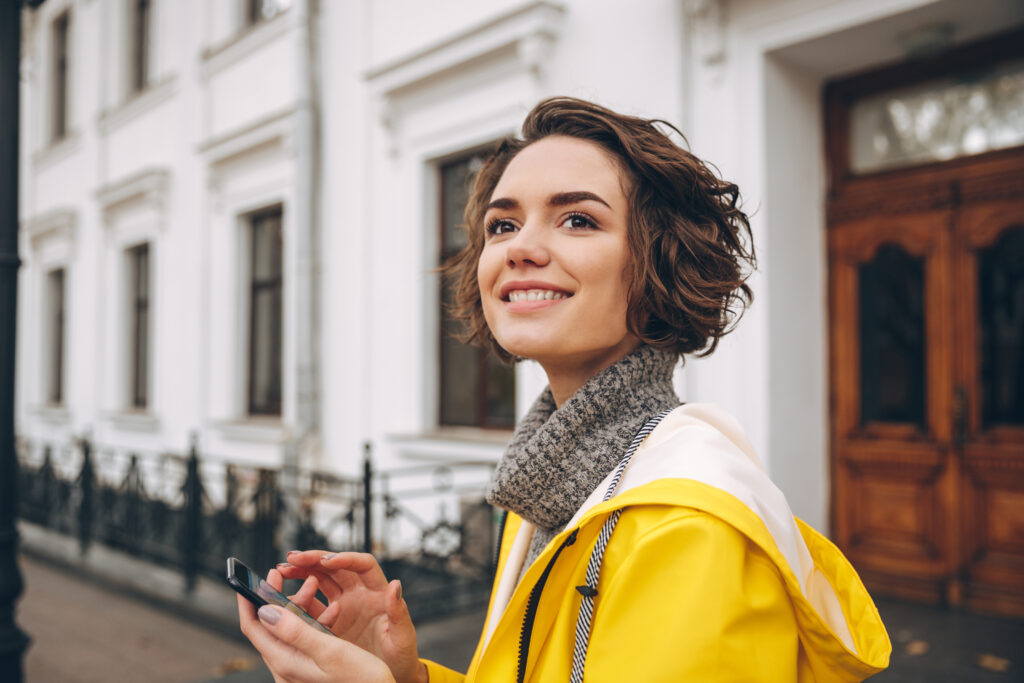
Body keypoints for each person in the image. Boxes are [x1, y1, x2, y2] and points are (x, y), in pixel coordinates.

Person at [237, 97, 892, 682]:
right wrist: (406, 674)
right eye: (502, 225)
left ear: (657, 262)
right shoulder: (549, 486)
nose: (521, 248)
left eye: (577, 220)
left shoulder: (687, 529)